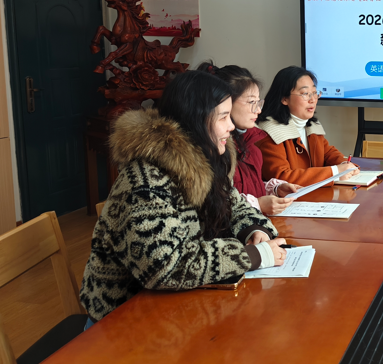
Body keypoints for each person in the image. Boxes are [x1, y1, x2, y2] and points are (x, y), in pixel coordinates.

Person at [79, 71, 289, 324]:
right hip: (124, 320)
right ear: (196, 119)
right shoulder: (144, 180)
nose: (231, 126)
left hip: (181, 306)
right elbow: (165, 266)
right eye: (223, 117)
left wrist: (253, 231)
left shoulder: (207, 158)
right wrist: (252, 256)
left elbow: (237, 206)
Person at [198, 62, 300, 216]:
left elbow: (249, 188)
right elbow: (218, 205)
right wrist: (257, 204)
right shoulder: (216, 149)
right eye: (252, 102)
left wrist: (274, 189)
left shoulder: (252, 146)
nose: (258, 110)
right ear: (226, 102)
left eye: (259, 102)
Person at [256, 66, 358, 185]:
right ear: (284, 99)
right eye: (305, 94)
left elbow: (327, 153)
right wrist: (335, 173)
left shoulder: (310, 125)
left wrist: (345, 165)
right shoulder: (268, 133)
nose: (313, 100)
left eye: (314, 93)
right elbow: (281, 178)